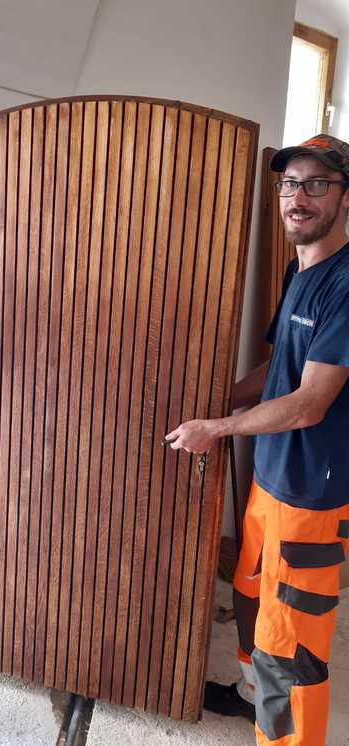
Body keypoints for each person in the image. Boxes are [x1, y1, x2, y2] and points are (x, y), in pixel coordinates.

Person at [166, 134, 349, 746]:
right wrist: (218, 400)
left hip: (309, 497)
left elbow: (309, 402)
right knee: (248, 592)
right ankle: (250, 696)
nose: (298, 197)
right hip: (272, 480)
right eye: (290, 183)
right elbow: (279, 370)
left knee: (290, 646)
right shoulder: (301, 270)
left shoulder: (346, 284)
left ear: (346, 197)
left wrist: (217, 429)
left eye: (317, 184)